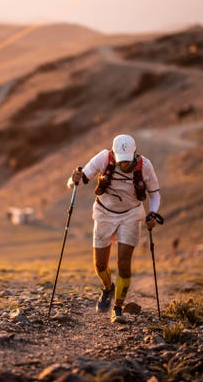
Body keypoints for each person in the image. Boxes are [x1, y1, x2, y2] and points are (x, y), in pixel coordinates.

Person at [67, 134, 162, 323]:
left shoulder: (145, 166)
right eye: (121, 161)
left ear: (134, 154)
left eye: (127, 161)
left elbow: (155, 194)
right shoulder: (103, 158)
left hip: (132, 214)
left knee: (124, 263)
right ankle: (107, 288)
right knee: (100, 265)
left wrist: (152, 213)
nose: (124, 165)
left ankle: (118, 307)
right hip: (104, 213)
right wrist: (73, 179)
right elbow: (75, 183)